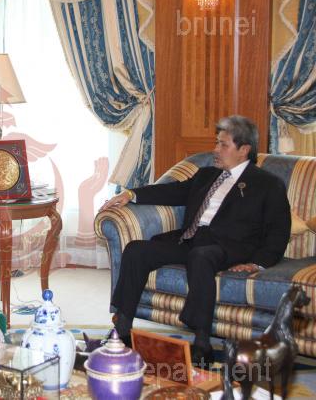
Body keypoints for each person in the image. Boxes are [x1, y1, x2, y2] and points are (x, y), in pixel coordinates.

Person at [99, 115, 291, 367]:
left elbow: (279, 230)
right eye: (216, 143)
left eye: (223, 145)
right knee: (137, 250)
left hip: (230, 247)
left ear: (244, 150)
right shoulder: (206, 174)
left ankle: (202, 343)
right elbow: (172, 191)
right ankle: (123, 330)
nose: (216, 149)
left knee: (201, 256)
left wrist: (258, 263)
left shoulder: (267, 184)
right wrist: (131, 194)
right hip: (191, 240)